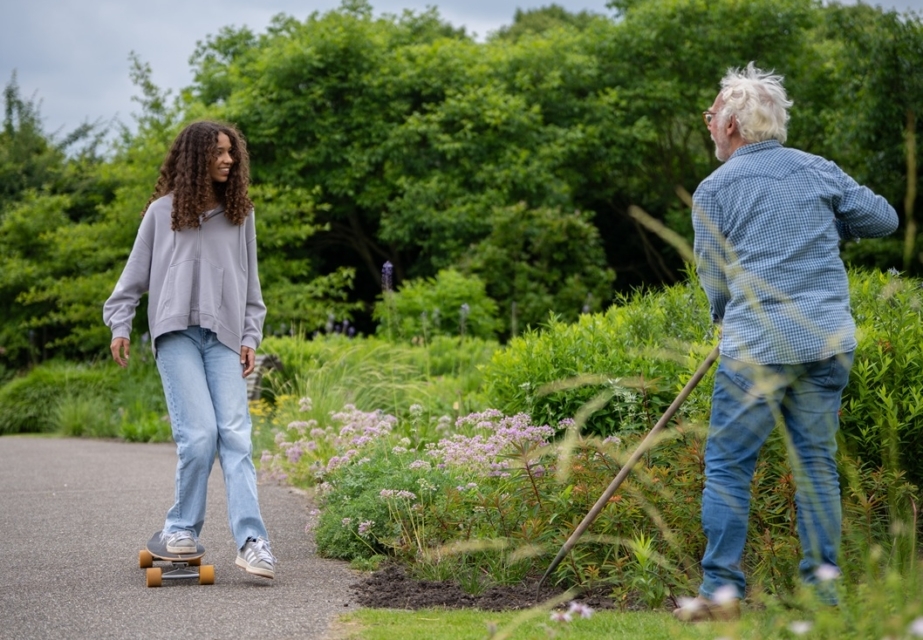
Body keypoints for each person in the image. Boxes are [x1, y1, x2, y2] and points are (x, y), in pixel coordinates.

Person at [673, 63, 898, 622]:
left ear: (730, 126)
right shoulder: (819, 172)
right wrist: (831, 222)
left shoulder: (715, 189)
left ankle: (721, 593)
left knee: (727, 467)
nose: (708, 126)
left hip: (756, 350)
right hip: (826, 343)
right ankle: (823, 596)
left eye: (710, 116)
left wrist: (724, 316)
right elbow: (884, 219)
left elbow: (714, 274)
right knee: (816, 467)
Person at [103, 120, 276, 579]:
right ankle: (180, 529)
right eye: (219, 152)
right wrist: (121, 326)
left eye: (231, 152)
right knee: (199, 437)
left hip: (223, 340)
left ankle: (253, 541)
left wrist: (248, 337)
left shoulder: (241, 215)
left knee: (236, 436)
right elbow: (129, 284)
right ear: (196, 158)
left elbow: (252, 288)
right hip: (176, 336)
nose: (228, 159)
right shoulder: (161, 213)